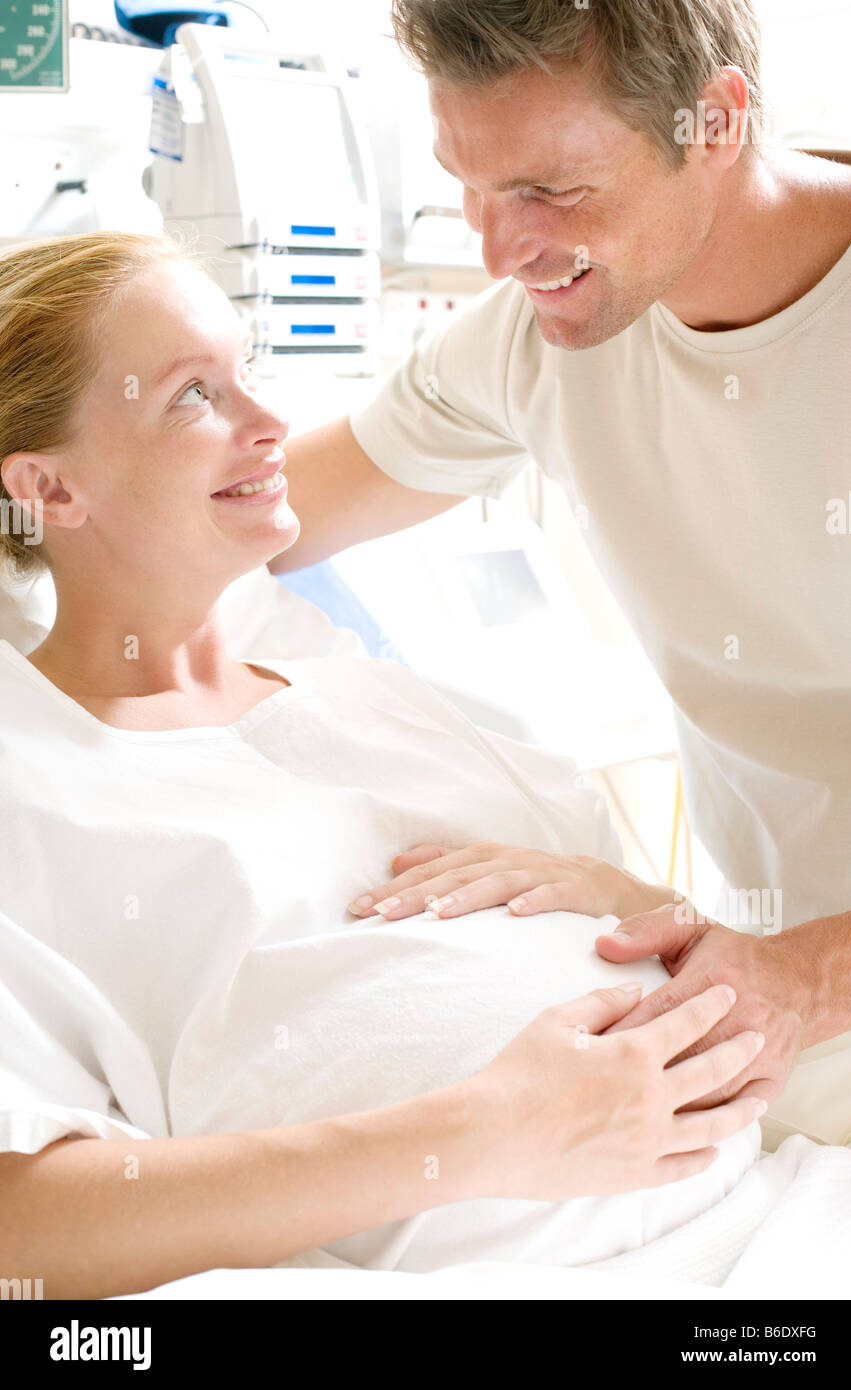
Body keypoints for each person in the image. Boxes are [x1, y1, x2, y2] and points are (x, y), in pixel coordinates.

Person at [0, 232, 766, 1300]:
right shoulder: (30, 784)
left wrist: (651, 902)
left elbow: (657, 946)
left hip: (778, 1216)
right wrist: (483, 1134)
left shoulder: (369, 698)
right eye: (191, 396)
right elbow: (20, 1227)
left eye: (248, 372)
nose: (269, 425)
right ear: (49, 487)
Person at [266, 0, 851, 1147]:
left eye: (551, 190)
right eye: (468, 183)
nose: (500, 249)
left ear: (713, 122)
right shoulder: (532, 336)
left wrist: (801, 977)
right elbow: (265, 514)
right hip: (787, 1040)